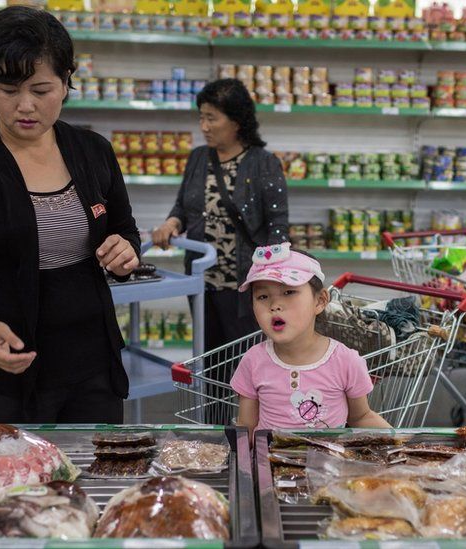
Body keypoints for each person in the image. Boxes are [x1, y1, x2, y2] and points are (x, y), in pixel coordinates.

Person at [0, 6, 141, 424]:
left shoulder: (93, 153)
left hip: (93, 366)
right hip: (6, 372)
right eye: (7, 89)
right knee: (11, 486)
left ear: (67, 81)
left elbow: (124, 231)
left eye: (41, 90)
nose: (25, 106)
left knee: (95, 481)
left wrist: (125, 251)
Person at [152, 78, 289, 424]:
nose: (204, 127)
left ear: (237, 121)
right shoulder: (199, 158)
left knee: (246, 366)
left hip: (245, 286)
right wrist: (171, 223)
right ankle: (214, 431)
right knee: (208, 364)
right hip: (201, 283)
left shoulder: (263, 163)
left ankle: (250, 433)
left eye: (212, 118)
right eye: (201, 117)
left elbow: (277, 225)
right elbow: (183, 206)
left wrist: (270, 279)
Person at [232, 244, 391, 438]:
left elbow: (361, 417)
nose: (274, 306)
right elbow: (246, 429)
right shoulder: (253, 361)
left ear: (320, 301)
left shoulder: (346, 361)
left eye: (289, 292)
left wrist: (400, 443)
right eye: (262, 296)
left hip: (327, 465)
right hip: (269, 464)